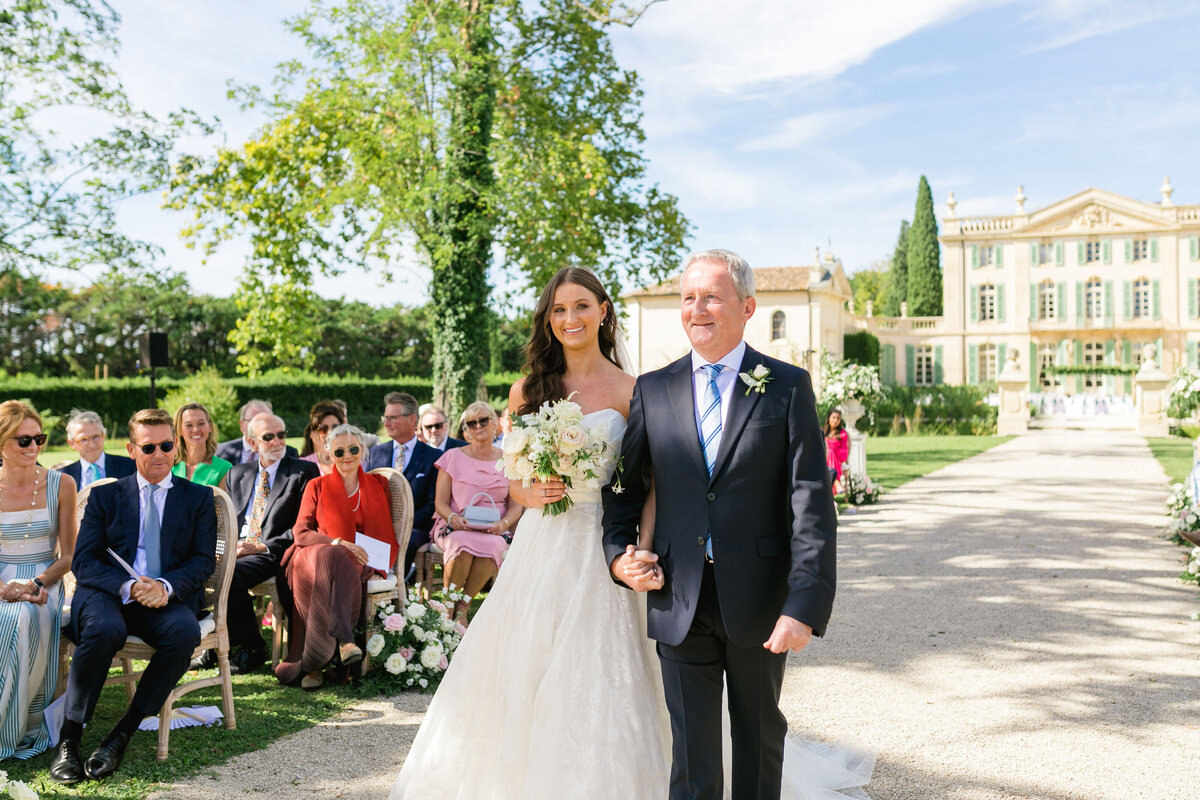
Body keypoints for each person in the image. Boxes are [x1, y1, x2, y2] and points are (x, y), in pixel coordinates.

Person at [603, 249, 839, 799]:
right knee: (692, 760)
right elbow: (625, 490)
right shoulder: (653, 389)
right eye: (688, 297)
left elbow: (811, 501)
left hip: (761, 598)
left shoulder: (785, 385)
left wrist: (803, 604)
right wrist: (619, 556)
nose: (697, 309)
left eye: (711, 296)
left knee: (758, 744)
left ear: (747, 306)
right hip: (677, 596)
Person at [50, 408, 217, 784]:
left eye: (166, 445)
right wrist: (128, 586)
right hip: (109, 594)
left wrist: (165, 587)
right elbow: (85, 561)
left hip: (165, 598)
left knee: (184, 633)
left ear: (175, 448)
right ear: (131, 449)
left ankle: (121, 732)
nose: (158, 453)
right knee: (104, 630)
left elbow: (203, 561)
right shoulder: (107, 497)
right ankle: (69, 739)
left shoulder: (198, 498)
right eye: (148, 446)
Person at [276, 424, 395, 690]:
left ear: (363, 450)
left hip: (357, 563)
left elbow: (386, 534)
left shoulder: (378, 485)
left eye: (353, 449)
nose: (347, 456)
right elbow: (301, 533)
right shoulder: (316, 486)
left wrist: (378, 564)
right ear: (329, 454)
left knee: (338, 562)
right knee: (331, 555)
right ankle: (344, 640)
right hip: (312, 555)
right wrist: (338, 542)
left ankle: (313, 664)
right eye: (339, 451)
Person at [0, 401, 76, 761]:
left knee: (22, 617)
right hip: (0, 580)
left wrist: (34, 584)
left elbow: (68, 556)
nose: (34, 448)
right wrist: (4, 588)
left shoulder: (61, 484)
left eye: (39, 439)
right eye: (23, 441)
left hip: (45, 579)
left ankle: (15, 727)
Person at [217, 413, 319, 675]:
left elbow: (302, 527)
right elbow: (222, 521)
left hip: (273, 550)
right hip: (237, 547)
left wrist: (259, 546)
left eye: (281, 435)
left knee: (230, 576)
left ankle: (253, 646)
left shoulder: (302, 472)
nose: (277, 441)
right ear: (252, 442)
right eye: (268, 437)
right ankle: (213, 643)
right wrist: (224, 548)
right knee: (201, 568)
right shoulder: (237, 474)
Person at [428, 402, 523, 625]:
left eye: (483, 420)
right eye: (472, 423)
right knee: (461, 543)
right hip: (455, 526)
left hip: (494, 529)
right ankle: (448, 606)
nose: (478, 426)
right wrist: (453, 518)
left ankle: (463, 606)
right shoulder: (452, 457)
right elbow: (440, 502)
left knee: (493, 546)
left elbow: (517, 504)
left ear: (496, 425)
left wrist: (504, 523)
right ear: (466, 430)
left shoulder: (509, 459)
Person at [366, 392, 438, 577]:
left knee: (405, 541)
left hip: (415, 527)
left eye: (392, 418)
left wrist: (403, 522)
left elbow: (433, 503)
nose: (386, 423)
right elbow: (366, 494)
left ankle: (396, 588)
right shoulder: (375, 453)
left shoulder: (433, 457)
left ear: (411, 419)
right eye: (385, 418)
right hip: (378, 524)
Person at [56, 409, 136, 489]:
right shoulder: (62, 477)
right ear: (72, 443)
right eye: (83, 440)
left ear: (103, 435)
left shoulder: (129, 467)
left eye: (96, 437)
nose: (91, 445)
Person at [171, 403, 231, 492]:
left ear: (209, 427)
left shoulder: (224, 468)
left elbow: (223, 504)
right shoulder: (169, 466)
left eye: (201, 423)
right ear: (179, 430)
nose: (196, 430)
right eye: (189, 425)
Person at [215, 400, 297, 465]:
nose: (260, 426)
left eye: (266, 420)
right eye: (253, 420)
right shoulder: (222, 452)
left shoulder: (289, 453)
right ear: (241, 425)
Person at [300, 401, 346, 477]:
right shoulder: (303, 463)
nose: (330, 432)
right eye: (324, 428)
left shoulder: (350, 458)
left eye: (335, 427)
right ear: (315, 433)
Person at [825, 409, 850, 495]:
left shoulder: (842, 434)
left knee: (831, 452)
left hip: (836, 461)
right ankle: (836, 484)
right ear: (829, 418)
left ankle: (835, 481)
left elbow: (844, 453)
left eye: (838, 418)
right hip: (822, 460)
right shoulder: (823, 432)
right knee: (828, 451)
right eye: (833, 417)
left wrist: (833, 451)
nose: (835, 420)